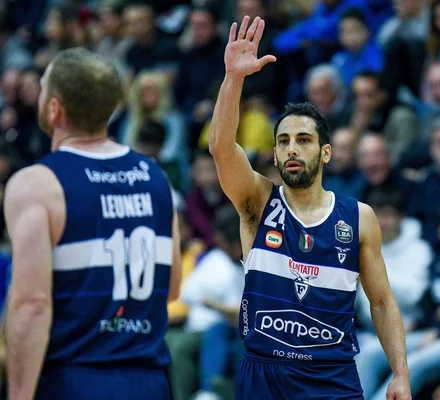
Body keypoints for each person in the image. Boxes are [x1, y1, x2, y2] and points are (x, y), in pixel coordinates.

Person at [208, 15, 411, 400]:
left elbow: (382, 301)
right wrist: (233, 79)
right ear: (275, 153)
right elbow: (220, 148)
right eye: (283, 141)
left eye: (303, 139)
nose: (292, 149)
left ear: (326, 152)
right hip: (264, 372)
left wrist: (400, 373)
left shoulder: (359, 217)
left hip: (330, 374)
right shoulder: (256, 200)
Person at [4, 47, 182, 400]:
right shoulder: (155, 176)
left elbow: (31, 304)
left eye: (42, 88)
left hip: (74, 380)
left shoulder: (37, 183)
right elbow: (172, 288)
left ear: (54, 108)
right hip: (150, 382)